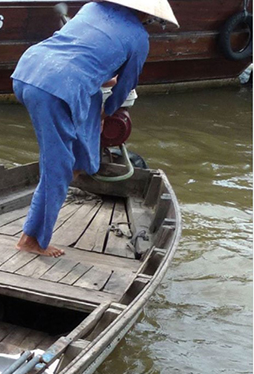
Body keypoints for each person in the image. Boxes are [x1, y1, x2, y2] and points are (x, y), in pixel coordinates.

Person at [11, 0, 179, 257]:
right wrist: (107, 111)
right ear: (147, 15)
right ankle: (31, 239)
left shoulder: (91, 7)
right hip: (55, 89)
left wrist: (100, 107)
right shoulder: (139, 38)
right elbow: (124, 87)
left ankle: (79, 166)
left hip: (30, 69)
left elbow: (85, 55)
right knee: (58, 167)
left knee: (80, 157)